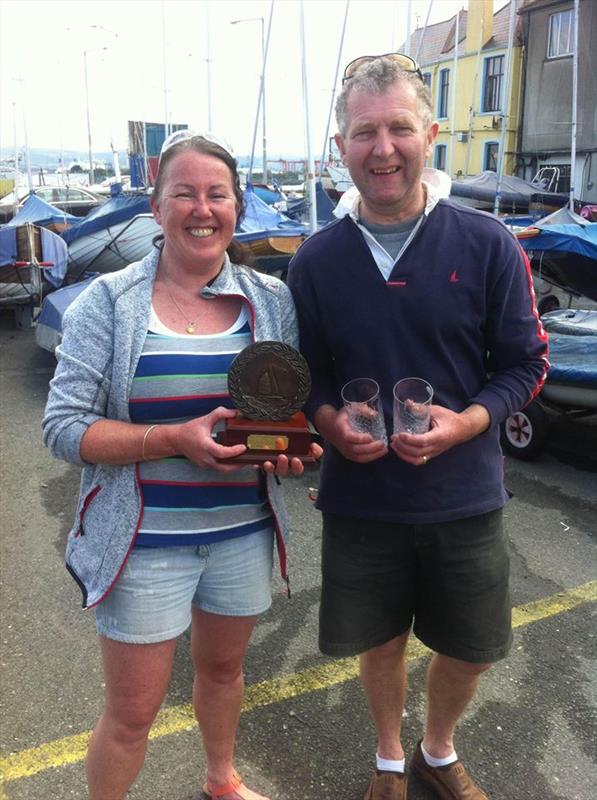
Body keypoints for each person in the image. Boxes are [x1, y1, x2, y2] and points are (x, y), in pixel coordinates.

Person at [288, 54, 548, 800]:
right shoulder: (315, 261)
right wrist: (330, 420)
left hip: (463, 497)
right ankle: (388, 760)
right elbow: (302, 373)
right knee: (379, 643)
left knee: (471, 648)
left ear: (429, 134)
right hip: (362, 501)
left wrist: (468, 422)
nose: (382, 148)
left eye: (398, 127)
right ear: (340, 146)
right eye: (363, 131)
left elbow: (526, 363)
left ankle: (435, 749)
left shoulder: (487, 243)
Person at [43, 131, 321, 800]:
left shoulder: (269, 299)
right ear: (156, 206)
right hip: (144, 543)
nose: (203, 209)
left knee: (224, 675)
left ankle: (221, 779)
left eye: (217, 194)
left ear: (238, 204)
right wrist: (173, 438)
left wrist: (293, 454)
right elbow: (63, 427)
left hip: (240, 533)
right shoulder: (106, 303)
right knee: (133, 714)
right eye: (185, 194)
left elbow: (281, 408)